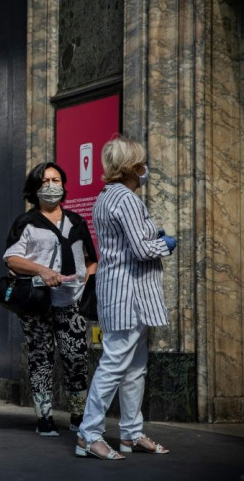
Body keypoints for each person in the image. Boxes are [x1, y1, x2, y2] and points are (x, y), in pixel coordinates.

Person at [76, 137, 176, 460]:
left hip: (121, 292)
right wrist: (167, 243)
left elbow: (126, 243)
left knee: (134, 368)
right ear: (133, 167)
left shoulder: (106, 197)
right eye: (141, 163)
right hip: (128, 296)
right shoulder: (127, 200)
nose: (145, 168)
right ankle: (89, 435)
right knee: (115, 365)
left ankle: (130, 434)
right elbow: (143, 249)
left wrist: (152, 237)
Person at [4, 162, 97, 436]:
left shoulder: (77, 222)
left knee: (76, 358)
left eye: (56, 179)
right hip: (37, 303)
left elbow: (91, 260)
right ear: (35, 189)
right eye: (44, 181)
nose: (51, 185)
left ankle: (78, 416)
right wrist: (42, 270)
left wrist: (85, 283)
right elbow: (11, 258)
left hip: (71, 303)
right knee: (41, 359)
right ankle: (43, 418)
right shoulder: (26, 222)